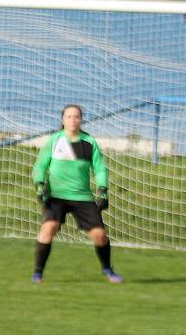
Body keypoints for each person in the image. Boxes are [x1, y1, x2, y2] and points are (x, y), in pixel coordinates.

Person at [31, 104, 122, 284]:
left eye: (76, 117)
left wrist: (103, 190)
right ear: (63, 120)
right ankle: (38, 273)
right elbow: (40, 166)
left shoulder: (89, 142)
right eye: (69, 117)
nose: (73, 120)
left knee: (99, 236)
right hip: (56, 196)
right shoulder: (54, 140)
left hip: (82, 197)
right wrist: (40, 186)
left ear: (81, 120)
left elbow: (100, 169)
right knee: (48, 229)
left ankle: (107, 269)